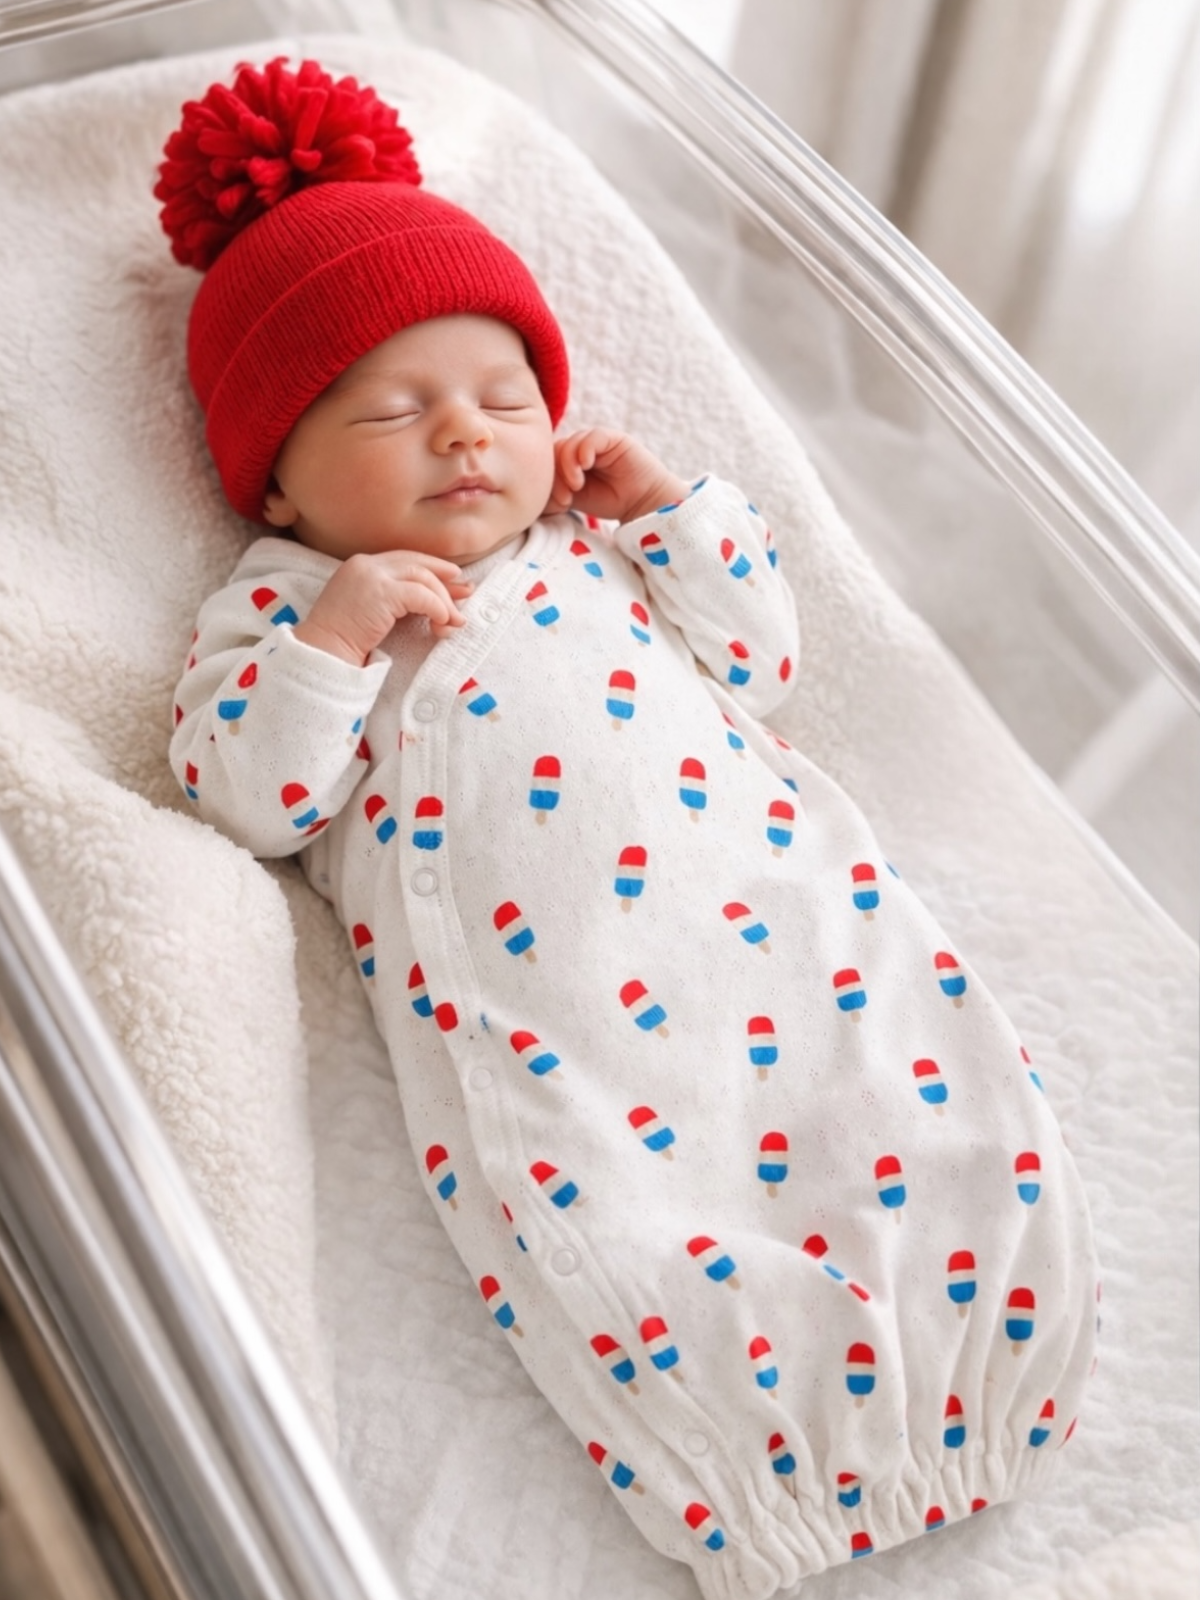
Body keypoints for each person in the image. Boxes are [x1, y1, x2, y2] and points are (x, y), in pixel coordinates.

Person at [162, 57, 1098, 1600]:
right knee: (625, 1199)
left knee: (880, 1102)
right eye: (393, 410)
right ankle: (762, 1473)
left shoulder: (597, 549)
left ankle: (973, 1375)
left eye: (505, 399)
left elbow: (761, 663)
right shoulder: (282, 610)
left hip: (778, 926)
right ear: (276, 482)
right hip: (564, 1018)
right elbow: (250, 801)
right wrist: (335, 642)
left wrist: (673, 515)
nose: (466, 437)